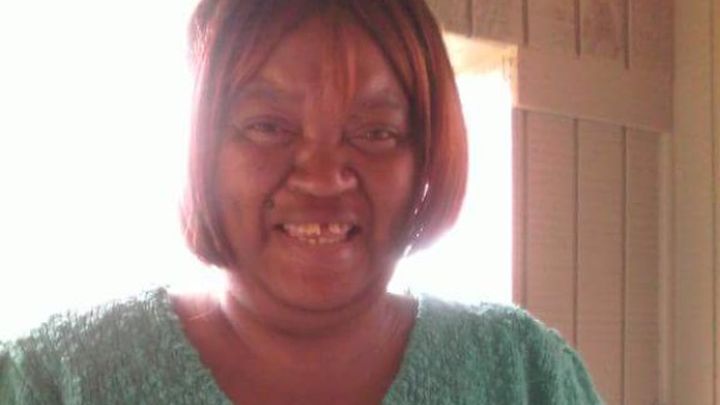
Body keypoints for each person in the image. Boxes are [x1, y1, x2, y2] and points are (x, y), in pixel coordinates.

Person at [0, 0, 603, 403]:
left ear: (427, 155)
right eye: (268, 126)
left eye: (375, 132)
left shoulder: (524, 375)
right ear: (201, 148)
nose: (322, 178)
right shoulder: (54, 381)